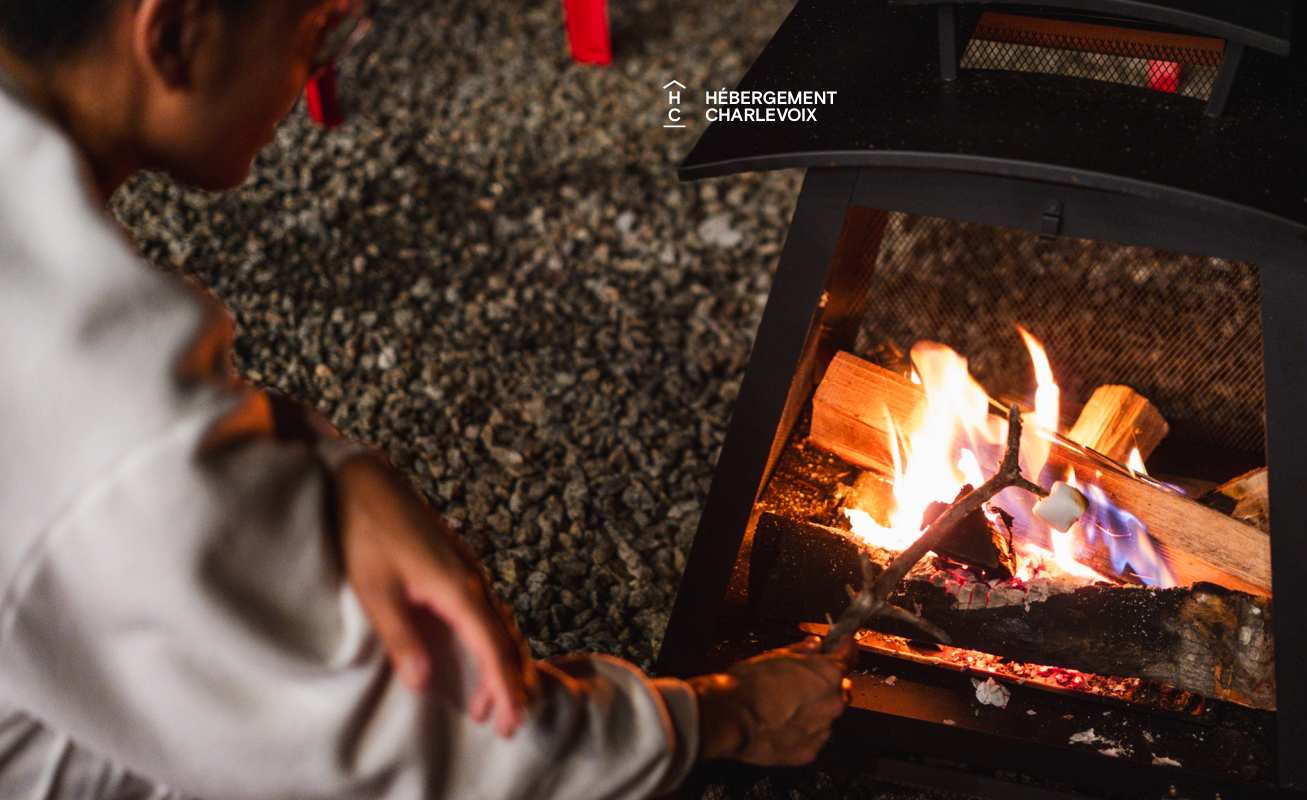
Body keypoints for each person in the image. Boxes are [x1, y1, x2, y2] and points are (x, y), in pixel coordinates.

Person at [0, 1, 854, 798]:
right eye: (315, 34)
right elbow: (438, 753)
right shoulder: (119, 425)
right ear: (175, 32)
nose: (309, 80)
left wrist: (332, 468)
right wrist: (726, 714)